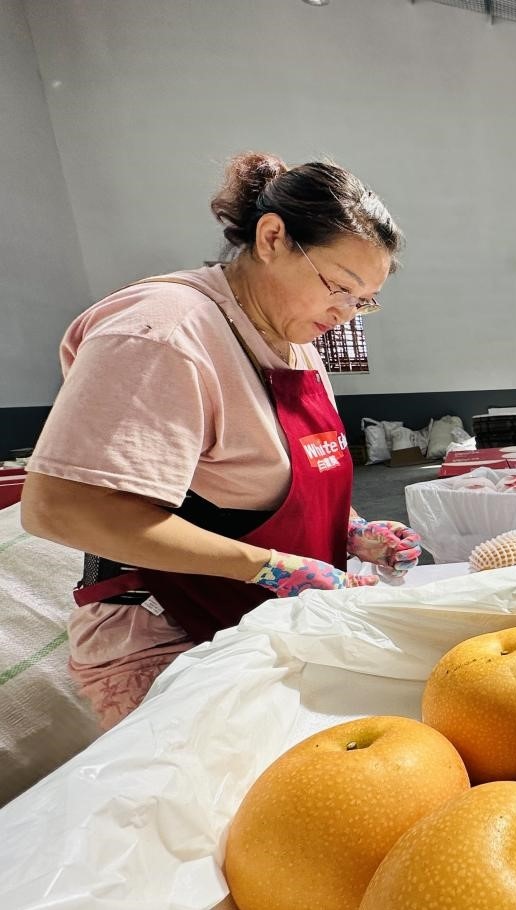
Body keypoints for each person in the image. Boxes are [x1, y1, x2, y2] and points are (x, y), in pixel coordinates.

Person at [22, 152, 420, 729]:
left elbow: (273, 479)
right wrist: (272, 568)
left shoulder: (295, 344)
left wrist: (353, 530)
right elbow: (62, 507)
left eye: (362, 301)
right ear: (273, 238)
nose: (346, 313)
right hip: (174, 637)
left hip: (259, 625)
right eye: (339, 287)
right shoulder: (164, 331)